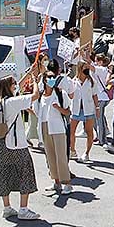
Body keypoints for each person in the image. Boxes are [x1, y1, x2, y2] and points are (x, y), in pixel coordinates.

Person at [0, 76, 43, 221]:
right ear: (9, 87)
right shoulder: (13, 102)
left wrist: (29, 73)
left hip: (1, 142)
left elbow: (17, 86)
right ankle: (23, 209)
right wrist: (35, 83)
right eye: (13, 84)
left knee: (3, 173)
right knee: (25, 172)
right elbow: (35, 96)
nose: (16, 86)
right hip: (16, 144)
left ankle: (7, 207)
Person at [38, 63, 73, 195]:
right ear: (45, 81)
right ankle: (56, 181)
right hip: (45, 126)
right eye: (49, 78)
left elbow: (67, 112)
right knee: (50, 156)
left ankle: (67, 183)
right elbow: (38, 111)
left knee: (61, 156)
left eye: (53, 77)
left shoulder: (60, 93)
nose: (52, 80)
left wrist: (58, 108)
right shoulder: (41, 96)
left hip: (58, 127)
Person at [69, 63, 99, 163]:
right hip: (76, 109)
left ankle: (86, 153)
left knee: (89, 132)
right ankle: (72, 150)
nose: (87, 69)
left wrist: (97, 108)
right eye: (84, 68)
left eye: (87, 68)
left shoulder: (92, 81)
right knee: (71, 131)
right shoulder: (73, 82)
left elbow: (95, 95)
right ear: (80, 69)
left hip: (88, 109)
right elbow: (70, 95)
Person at [90, 54, 113, 147]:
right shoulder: (105, 69)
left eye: (96, 61)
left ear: (101, 62)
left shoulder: (101, 69)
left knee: (99, 119)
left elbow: (90, 66)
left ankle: (102, 139)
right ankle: (101, 135)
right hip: (101, 97)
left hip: (101, 98)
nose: (95, 63)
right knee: (99, 118)